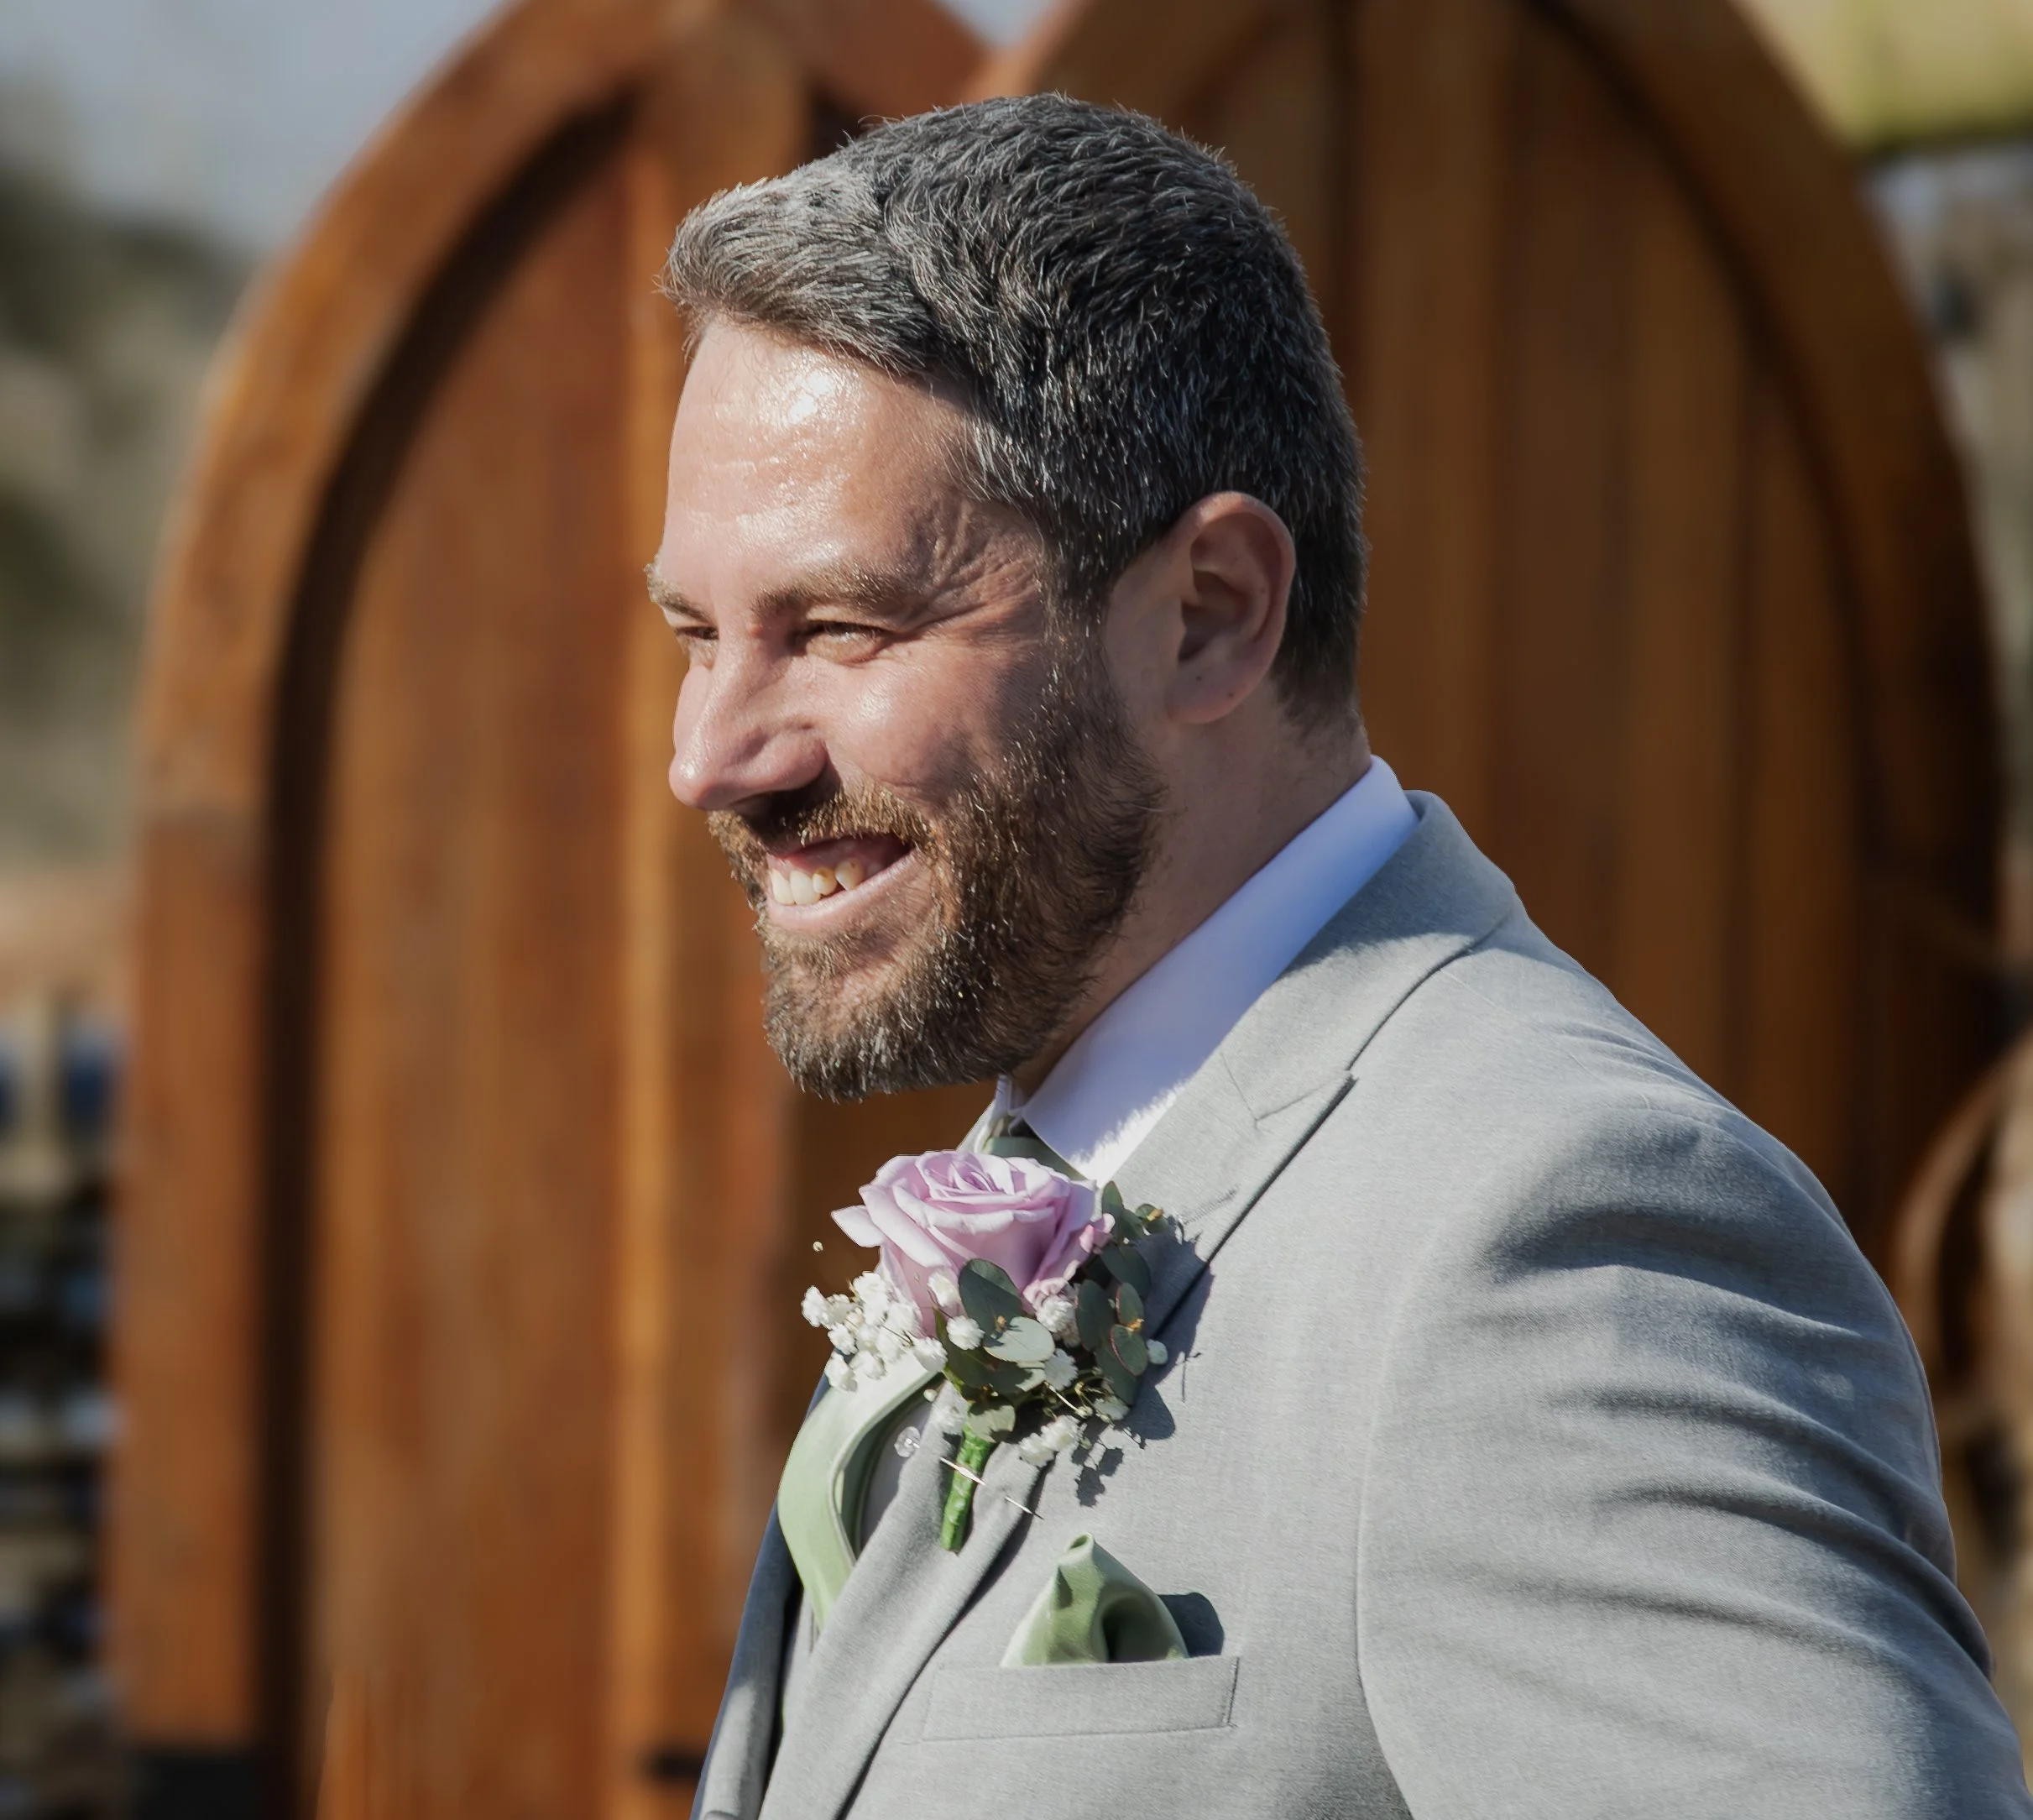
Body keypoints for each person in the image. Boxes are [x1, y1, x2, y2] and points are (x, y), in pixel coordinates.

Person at [649, 93, 2031, 1820]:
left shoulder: (1553, 1240)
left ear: (1212, 610)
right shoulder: (1064, 1164)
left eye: (839, 626)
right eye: (697, 636)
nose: (712, 756)